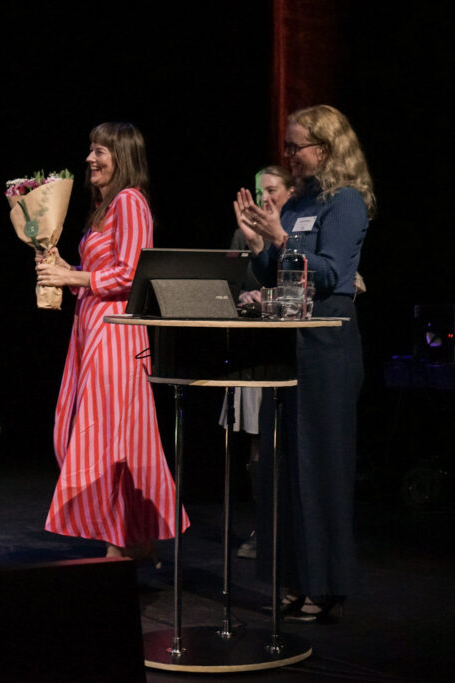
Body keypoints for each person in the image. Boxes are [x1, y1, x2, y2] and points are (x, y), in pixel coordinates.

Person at [234, 104, 374, 622]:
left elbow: (333, 274)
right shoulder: (298, 202)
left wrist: (279, 238)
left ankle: (326, 584)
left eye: (297, 146)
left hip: (326, 347)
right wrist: (259, 245)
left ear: (327, 148)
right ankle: (291, 579)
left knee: (321, 468)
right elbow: (279, 273)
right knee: (281, 468)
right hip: (286, 345)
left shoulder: (346, 202)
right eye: (287, 146)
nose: (289, 154)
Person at [36, 122, 184, 561]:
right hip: (92, 329)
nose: (90, 159)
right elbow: (101, 274)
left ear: (123, 156)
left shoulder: (130, 201)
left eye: (100, 151)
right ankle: (137, 540)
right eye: (91, 149)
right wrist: (62, 268)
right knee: (103, 435)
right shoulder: (104, 208)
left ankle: (118, 549)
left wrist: (73, 277)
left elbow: (133, 273)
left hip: (116, 334)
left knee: (111, 438)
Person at [225, 165, 295, 560]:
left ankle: (290, 526)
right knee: (258, 441)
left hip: (293, 351)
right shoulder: (243, 233)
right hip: (255, 349)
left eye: (271, 190)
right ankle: (262, 526)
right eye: (258, 191)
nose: (264, 198)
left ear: (289, 193)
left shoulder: (298, 229)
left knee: (288, 441)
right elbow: (228, 286)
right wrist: (242, 297)